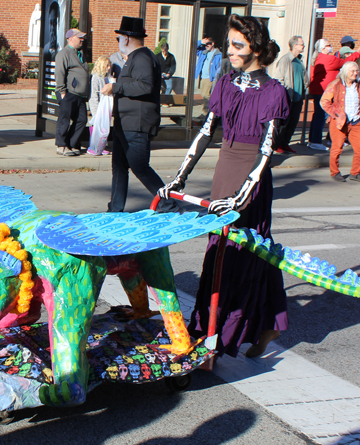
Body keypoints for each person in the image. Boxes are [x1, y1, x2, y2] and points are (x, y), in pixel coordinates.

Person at [159, 14, 289, 359]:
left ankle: (230, 332)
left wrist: (241, 196)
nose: (229, 51)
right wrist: (178, 177)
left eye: (237, 45)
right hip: (225, 172)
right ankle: (217, 327)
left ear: (256, 49)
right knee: (219, 253)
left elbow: (266, 151)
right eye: (229, 44)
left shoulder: (274, 92)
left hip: (251, 179)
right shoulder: (226, 83)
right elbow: (205, 132)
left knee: (247, 254)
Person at [100, 16, 180, 213]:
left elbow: (145, 85)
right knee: (119, 168)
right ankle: (115, 209)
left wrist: (115, 87)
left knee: (140, 166)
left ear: (126, 39)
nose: (118, 42)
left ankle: (168, 203)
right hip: (124, 123)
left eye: (119, 38)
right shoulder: (134, 58)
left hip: (136, 124)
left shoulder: (143, 58)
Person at [308, 38, 360, 151]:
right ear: (323, 48)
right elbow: (344, 62)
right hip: (324, 91)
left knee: (320, 116)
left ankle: (318, 140)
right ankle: (316, 141)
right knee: (323, 116)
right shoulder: (327, 59)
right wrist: (357, 53)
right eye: (328, 45)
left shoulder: (318, 58)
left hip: (320, 90)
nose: (330, 46)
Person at [320, 62, 360, 183]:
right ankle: (335, 172)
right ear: (345, 71)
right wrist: (336, 114)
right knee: (337, 148)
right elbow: (324, 101)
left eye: (357, 71)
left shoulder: (358, 86)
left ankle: (355, 173)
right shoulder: (336, 84)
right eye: (352, 71)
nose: (355, 73)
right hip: (340, 121)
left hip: (355, 120)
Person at [54, 28, 90, 157]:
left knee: (81, 119)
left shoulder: (79, 53)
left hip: (80, 94)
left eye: (82, 37)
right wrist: (62, 91)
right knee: (64, 120)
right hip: (69, 93)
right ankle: (61, 145)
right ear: (70, 38)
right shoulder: (64, 53)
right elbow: (59, 73)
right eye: (79, 37)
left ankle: (72, 143)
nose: (82, 39)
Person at [273, 36, 309, 154]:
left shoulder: (299, 60)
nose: (303, 46)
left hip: (298, 98)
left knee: (293, 123)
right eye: (301, 44)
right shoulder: (285, 60)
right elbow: (279, 79)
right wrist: (284, 94)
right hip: (288, 97)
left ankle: (285, 144)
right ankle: (277, 145)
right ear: (294, 46)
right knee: (284, 123)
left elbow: (305, 78)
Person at [88, 55, 111, 156]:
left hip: (105, 106)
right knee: (96, 127)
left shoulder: (107, 78)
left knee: (103, 128)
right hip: (98, 107)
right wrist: (95, 111)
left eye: (109, 65)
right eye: (107, 65)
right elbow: (93, 95)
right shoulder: (96, 77)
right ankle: (92, 146)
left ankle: (101, 147)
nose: (109, 67)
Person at [195, 38, 221, 115]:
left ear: (213, 43)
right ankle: (211, 110)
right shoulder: (203, 52)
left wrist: (216, 77)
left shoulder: (218, 54)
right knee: (203, 94)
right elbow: (193, 47)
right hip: (203, 77)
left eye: (208, 44)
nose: (206, 46)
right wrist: (200, 42)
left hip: (210, 78)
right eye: (205, 44)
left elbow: (220, 66)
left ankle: (206, 112)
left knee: (206, 95)